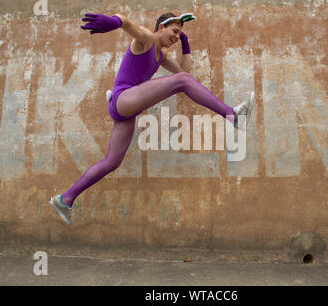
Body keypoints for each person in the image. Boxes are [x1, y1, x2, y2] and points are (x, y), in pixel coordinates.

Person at [49, 12, 254, 225]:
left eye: (179, 34)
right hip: (124, 98)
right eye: (175, 31)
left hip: (127, 108)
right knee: (181, 81)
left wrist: (185, 42)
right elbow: (128, 23)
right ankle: (233, 116)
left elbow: (185, 74)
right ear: (161, 27)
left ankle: (65, 199)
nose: (176, 37)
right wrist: (114, 21)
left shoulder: (162, 55)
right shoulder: (146, 40)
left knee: (112, 161)